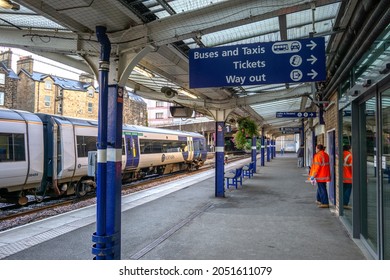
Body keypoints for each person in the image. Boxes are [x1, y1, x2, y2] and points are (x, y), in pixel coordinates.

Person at [309, 144, 331, 208]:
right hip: (325, 174)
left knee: (322, 189)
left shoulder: (318, 156)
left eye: (316, 148)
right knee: (321, 188)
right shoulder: (326, 154)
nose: (315, 149)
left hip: (320, 175)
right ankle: (319, 199)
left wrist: (313, 175)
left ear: (318, 149)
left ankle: (325, 203)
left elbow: (317, 167)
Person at [343, 145, 353, 209]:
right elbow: (352, 167)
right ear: (349, 149)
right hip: (348, 176)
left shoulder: (339, 154)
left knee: (342, 190)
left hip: (341, 176)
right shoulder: (350, 155)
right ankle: (345, 203)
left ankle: (341, 202)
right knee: (347, 190)